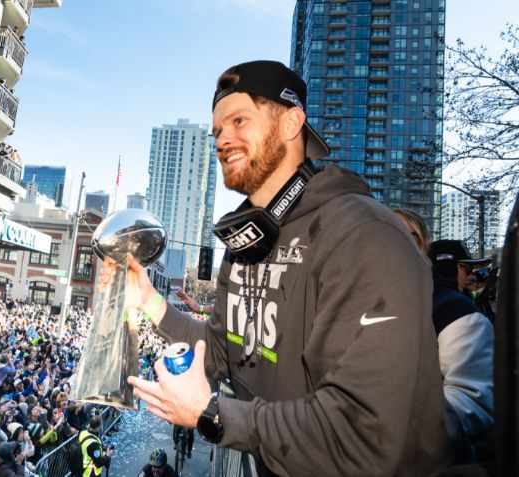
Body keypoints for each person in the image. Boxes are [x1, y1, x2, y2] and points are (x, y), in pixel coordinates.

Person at [102, 60, 450, 475]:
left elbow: (360, 434)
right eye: (217, 131)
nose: (222, 140)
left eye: (239, 120)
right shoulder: (246, 240)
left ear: (292, 122)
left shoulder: (366, 237)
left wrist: (213, 414)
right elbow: (219, 352)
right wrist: (150, 301)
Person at [427, 240, 495, 463]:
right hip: (443, 455)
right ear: (454, 268)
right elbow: (473, 400)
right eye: (466, 269)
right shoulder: (460, 312)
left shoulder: (410, 301)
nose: (471, 277)